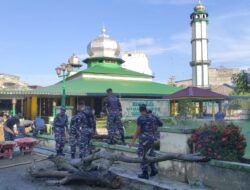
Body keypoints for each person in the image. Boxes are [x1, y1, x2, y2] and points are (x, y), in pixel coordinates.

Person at [129, 104, 158, 180]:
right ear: (146, 109)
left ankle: (145, 173)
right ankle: (153, 170)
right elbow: (158, 126)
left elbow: (138, 131)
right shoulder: (152, 117)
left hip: (144, 140)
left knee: (142, 154)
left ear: (140, 110)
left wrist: (132, 142)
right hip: (152, 138)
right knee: (151, 154)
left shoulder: (140, 118)